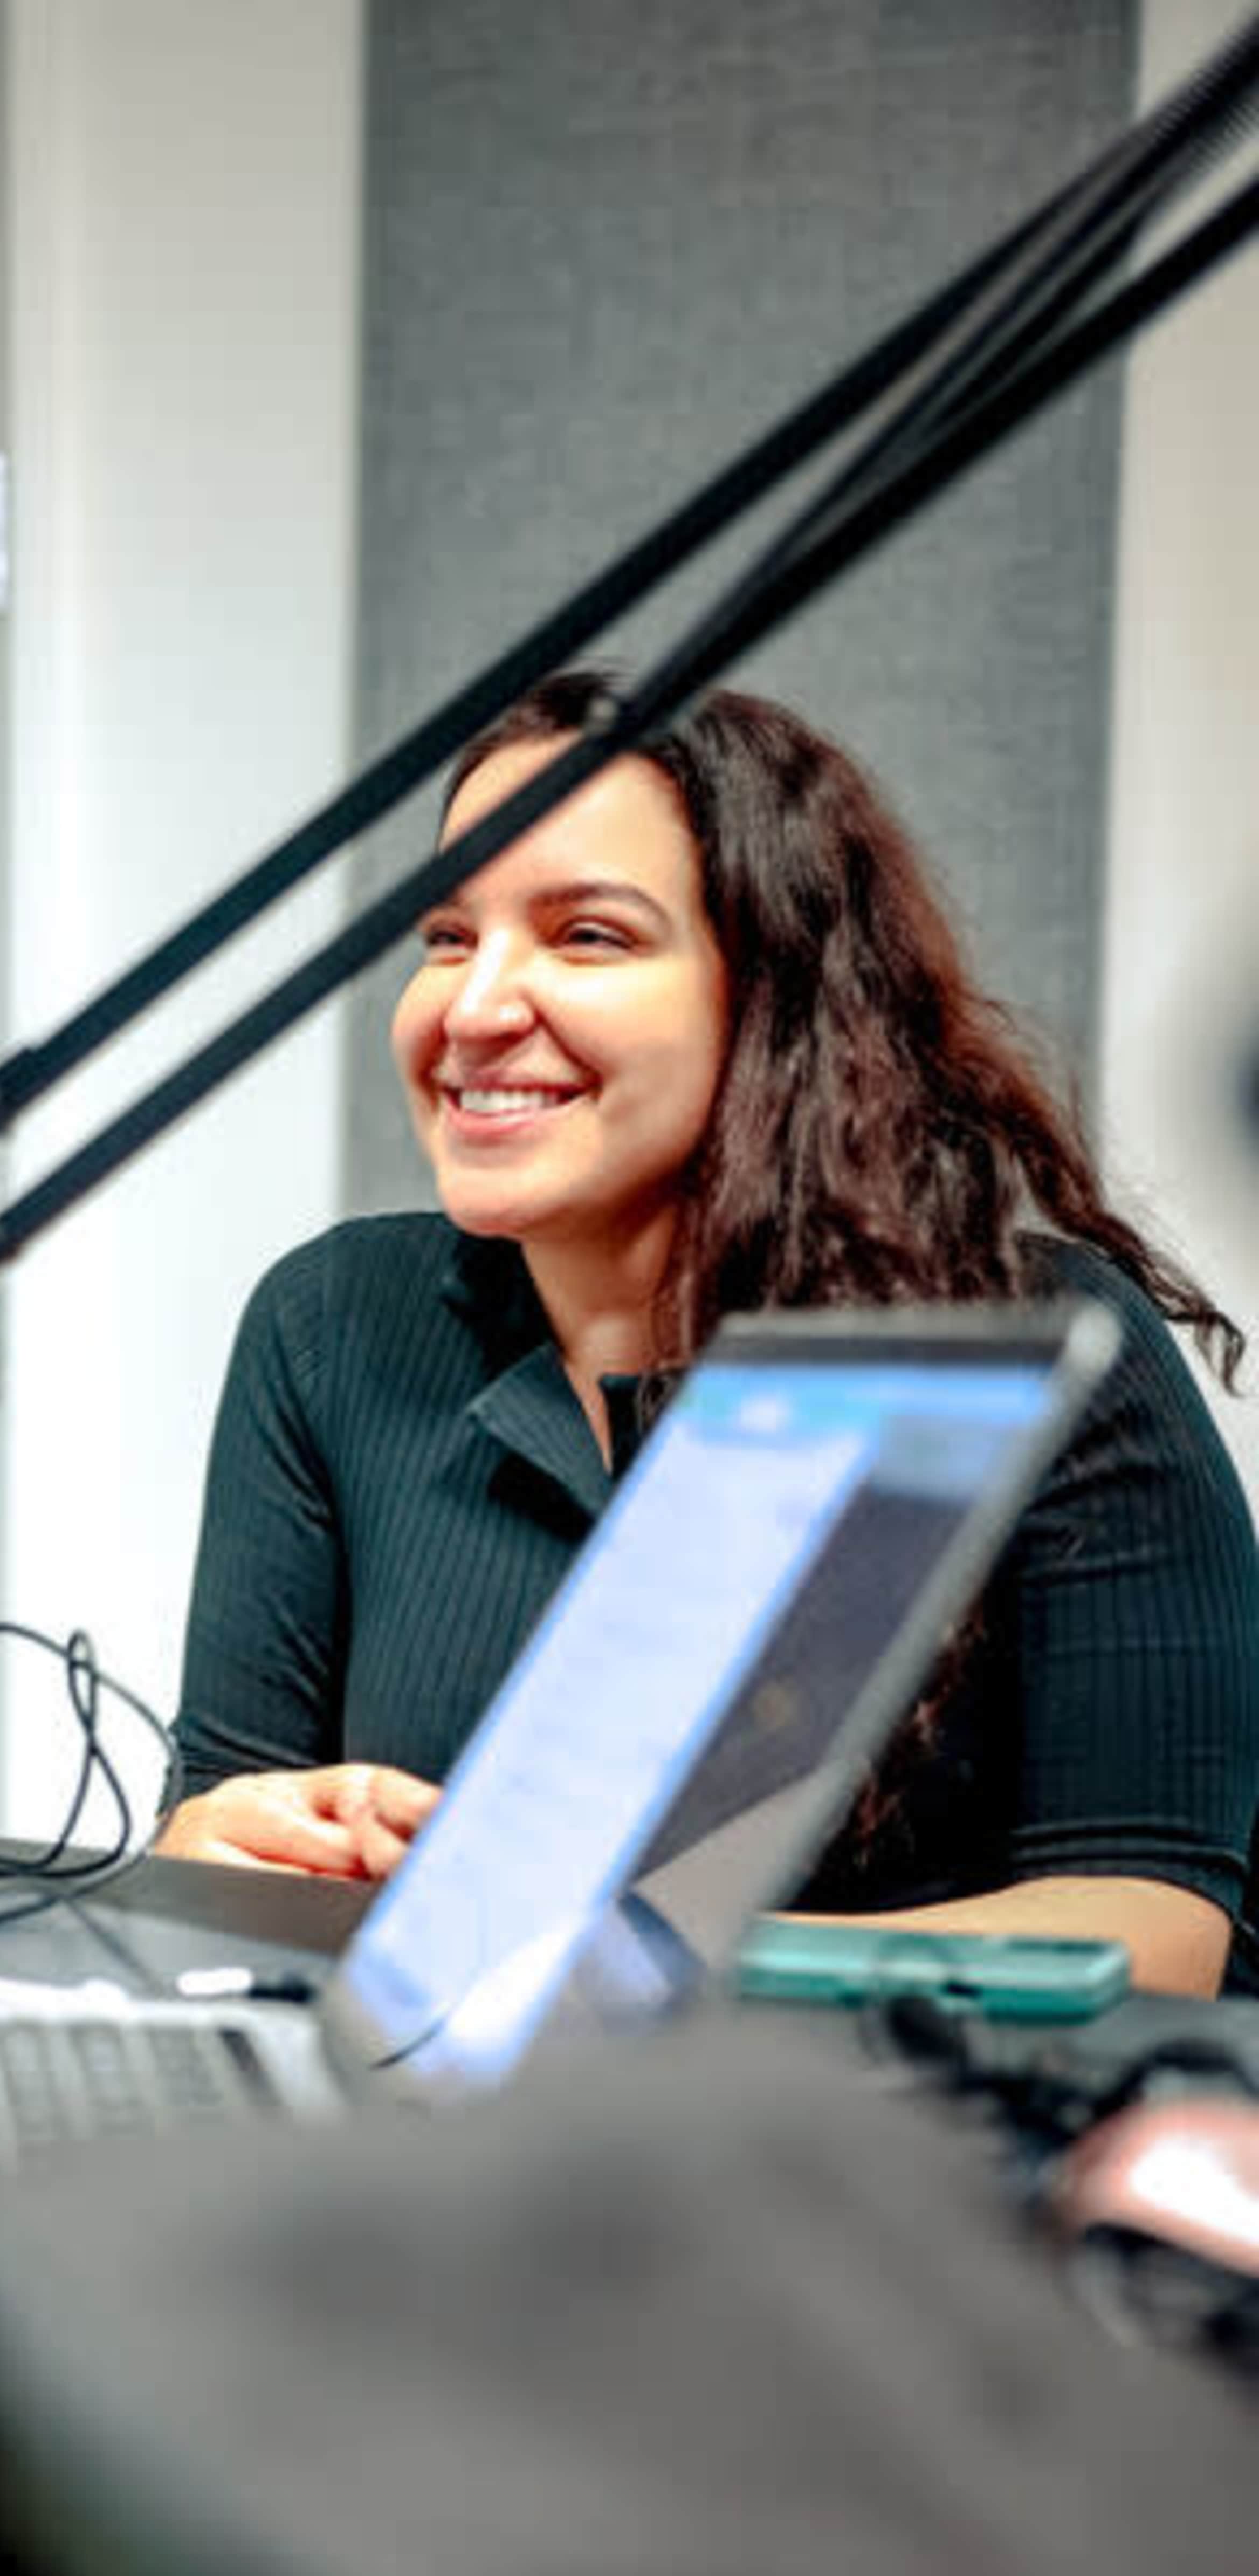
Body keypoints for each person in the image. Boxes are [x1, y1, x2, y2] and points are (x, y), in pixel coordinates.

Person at [160, 670, 1259, 1998]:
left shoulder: (1044, 1345)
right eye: (448, 936)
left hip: (884, 2164)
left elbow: (1157, 1937)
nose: (472, 1008)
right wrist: (211, 1854)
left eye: (586, 939)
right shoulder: (327, 1327)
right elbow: (225, 1828)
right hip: (447, 2158)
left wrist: (608, 1956)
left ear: (774, 1001)